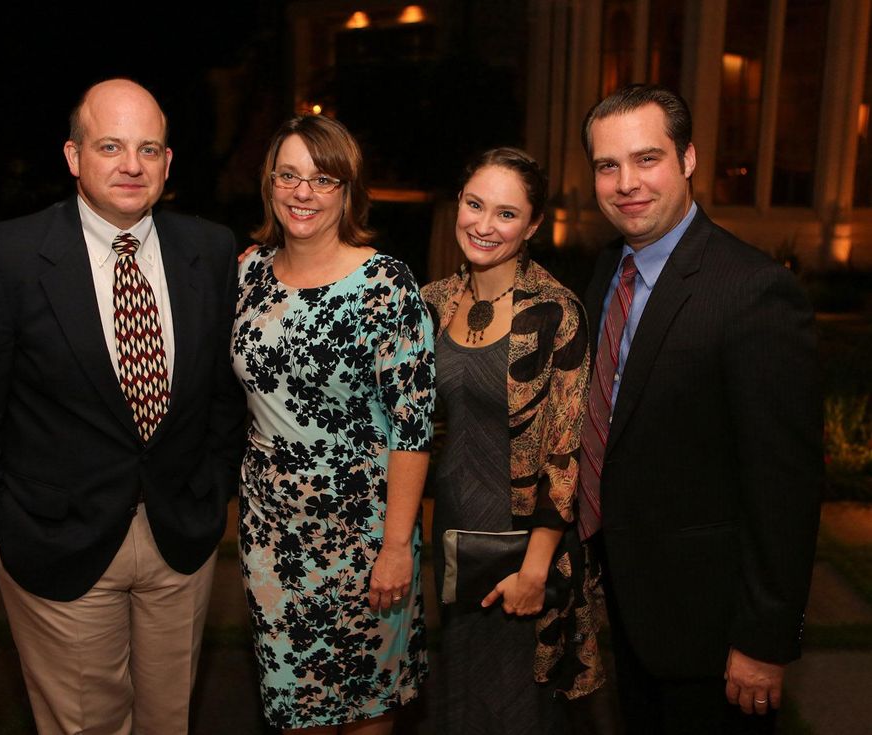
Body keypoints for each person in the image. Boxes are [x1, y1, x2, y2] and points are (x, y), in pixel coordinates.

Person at [0, 78, 246, 735]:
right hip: (52, 540)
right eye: (110, 146)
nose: (132, 165)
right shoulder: (8, 256)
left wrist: (211, 486)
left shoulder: (212, 251)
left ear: (168, 162)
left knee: (169, 722)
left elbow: (225, 391)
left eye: (149, 148)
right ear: (74, 156)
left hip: (179, 537)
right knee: (87, 726)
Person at [577, 84, 823, 734]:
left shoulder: (754, 293)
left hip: (713, 635)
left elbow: (785, 487)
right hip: (631, 607)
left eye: (647, 158)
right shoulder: (608, 269)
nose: (627, 182)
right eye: (608, 165)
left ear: (688, 158)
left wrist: (765, 638)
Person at [232, 114, 435, 734]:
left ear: (348, 190)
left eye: (323, 179)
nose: (303, 193)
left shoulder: (386, 285)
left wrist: (396, 548)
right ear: (269, 185)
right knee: (296, 715)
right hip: (272, 539)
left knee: (365, 714)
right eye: (288, 176)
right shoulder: (248, 276)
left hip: (365, 540)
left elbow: (414, 428)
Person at [421, 147, 604, 735]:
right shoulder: (431, 303)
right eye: (475, 205)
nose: (483, 224)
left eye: (506, 213)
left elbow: (566, 448)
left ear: (532, 226)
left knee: (517, 708)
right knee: (457, 700)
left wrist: (536, 567)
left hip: (524, 544)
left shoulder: (556, 312)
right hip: (451, 529)